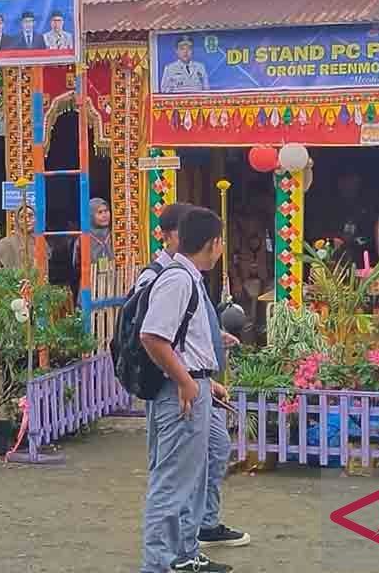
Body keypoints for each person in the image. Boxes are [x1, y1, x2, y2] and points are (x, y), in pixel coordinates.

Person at [139, 207, 229, 573]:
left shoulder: (189, 278)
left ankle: (181, 556)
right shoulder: (177, 279)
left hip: (194, 385)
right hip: (180, 393)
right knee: (172, 481)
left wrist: (205, 381)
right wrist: (186, 381)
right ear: (212, 243)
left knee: (188, 478)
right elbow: (152, 336)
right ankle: (158, 563)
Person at [0, 205, 47, 272]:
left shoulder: (41, 243)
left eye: (30, 216)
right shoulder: (5, 243)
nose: (27, 220)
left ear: (35, 219)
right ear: (17, 221)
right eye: (22, 217)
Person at [71, 197, 115, 266]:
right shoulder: (83, 239)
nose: (104, 215)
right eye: (100, 212)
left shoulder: (115, 235)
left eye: (106, 211)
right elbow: (77, 265)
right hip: (91, 275)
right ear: (91, 216)